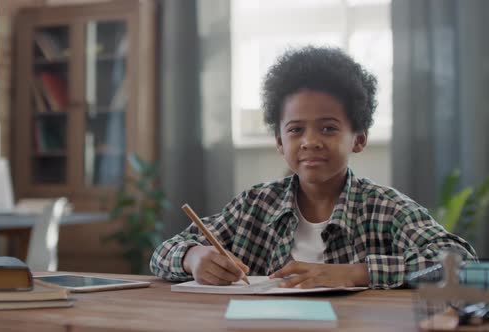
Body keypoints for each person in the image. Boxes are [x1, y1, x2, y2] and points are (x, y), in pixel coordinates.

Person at [149, 46, 477, 289]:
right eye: (295, 130)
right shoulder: (254, 206)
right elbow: (163, 253)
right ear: (280, 142)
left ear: (358, 139)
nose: (310, 141)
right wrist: (193, 258)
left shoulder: (385, 208)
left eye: (328, 128)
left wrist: (355, 272)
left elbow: (460, 264)